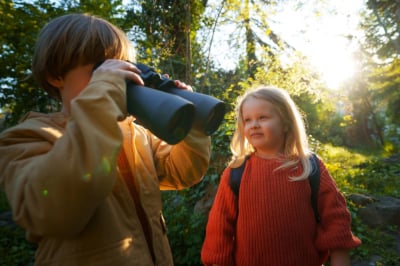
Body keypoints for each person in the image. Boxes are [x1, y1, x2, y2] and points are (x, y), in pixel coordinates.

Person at [0, 13, 211, 265]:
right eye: (101, 69)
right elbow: (50, 211)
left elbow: (183, 172)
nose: (116, 79)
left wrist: (189, 120)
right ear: (56, 75)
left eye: (122, 68)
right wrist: (102, 96)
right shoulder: (26, 138)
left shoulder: (135, 134)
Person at [201, 86, 361, 266]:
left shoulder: (310, 166)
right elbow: (219, 227)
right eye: (247, 120)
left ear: (286, 123)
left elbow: (335, 220)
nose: (254, 124)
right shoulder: (236, 171)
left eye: (263, 117)